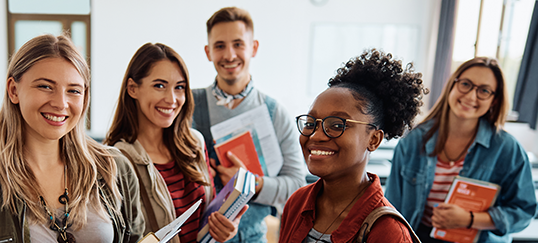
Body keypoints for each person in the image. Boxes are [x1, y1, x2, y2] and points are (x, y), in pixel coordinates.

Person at [0, 34, 144, 243]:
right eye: (45, 86)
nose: (61, 103)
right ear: (13, 90)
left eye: (73, 90)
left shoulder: (114, 168)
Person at [105, 43, 247, 243]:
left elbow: (207, 216)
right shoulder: (116, 160)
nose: (172, 99)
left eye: (179, 87)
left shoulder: (194, 143)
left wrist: (225, 229)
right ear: (133, 88)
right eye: (159, 86)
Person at [385, 57, 537, 242]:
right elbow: (392, 207)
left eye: (484, 90)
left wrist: (470, 219)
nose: (471, 96)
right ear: (453, 85)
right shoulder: (413, 141)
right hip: (418, 237)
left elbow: (523, 211)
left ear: (494, 100)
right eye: (466, 84)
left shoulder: (508, 149)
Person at [280, 49, 425, 242]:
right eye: (310, 123)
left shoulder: (388, 232)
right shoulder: (297, 203)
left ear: (373, 139)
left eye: (337, 125)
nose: (316, 135)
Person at [191, 6, 307, 242]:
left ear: (253, 47)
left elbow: (296, 184)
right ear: (208, 52)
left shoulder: (276, 113)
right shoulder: (189, 106)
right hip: (200, 235)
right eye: (219, 46)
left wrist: (251, 183)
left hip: (254, 237)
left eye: (238, 44)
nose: (229, 55)